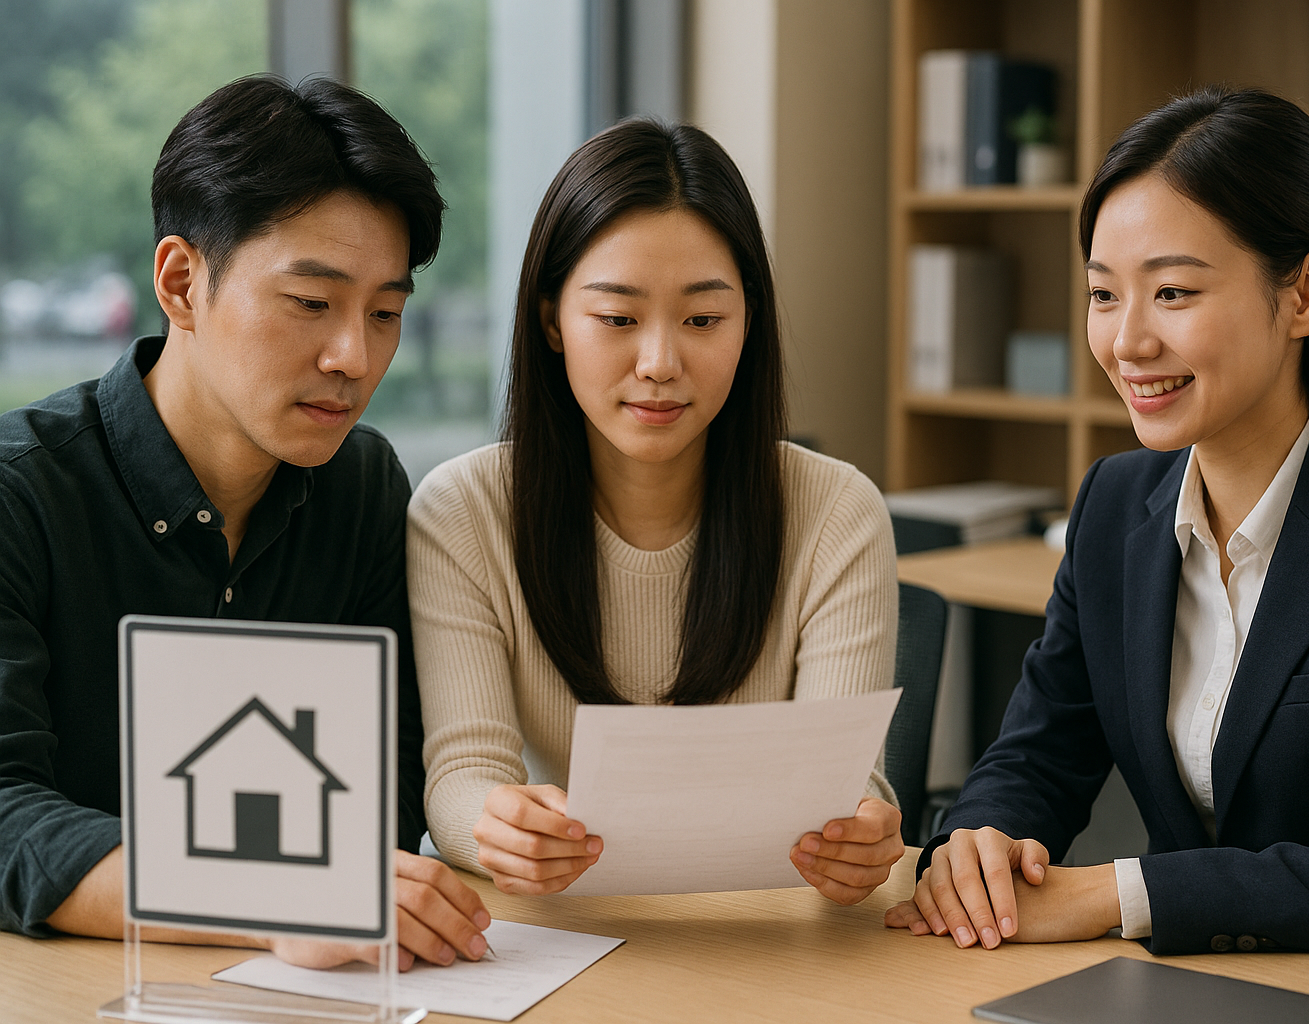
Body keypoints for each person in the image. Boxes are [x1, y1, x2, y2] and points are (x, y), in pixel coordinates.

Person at [884, 86, 1309, 956]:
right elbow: (1037, 755)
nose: (1127, 343)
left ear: (1305, 292)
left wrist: (1112, 893)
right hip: (1189, 990)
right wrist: (980, 847)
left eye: (1174, 293)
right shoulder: (1114, 505)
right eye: (1104, 296)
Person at [0, 75, 493, 971]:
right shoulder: (20, 495)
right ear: (182, 282)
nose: (354, 356)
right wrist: (272, 894)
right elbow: (2, 814)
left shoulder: (362, 485)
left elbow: (387, 785)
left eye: (385, 314)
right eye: (311, 303)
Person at [407, 119, 904, 905]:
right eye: (617, 319)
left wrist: (860, 837)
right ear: (551, 322)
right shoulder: (463, 511)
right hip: (561, 929)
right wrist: (497, 827)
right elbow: (464, 776)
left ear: (750, 323)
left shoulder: (836, 512)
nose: (660, 364)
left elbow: (850, 786)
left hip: (772, 942)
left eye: (704, 320)